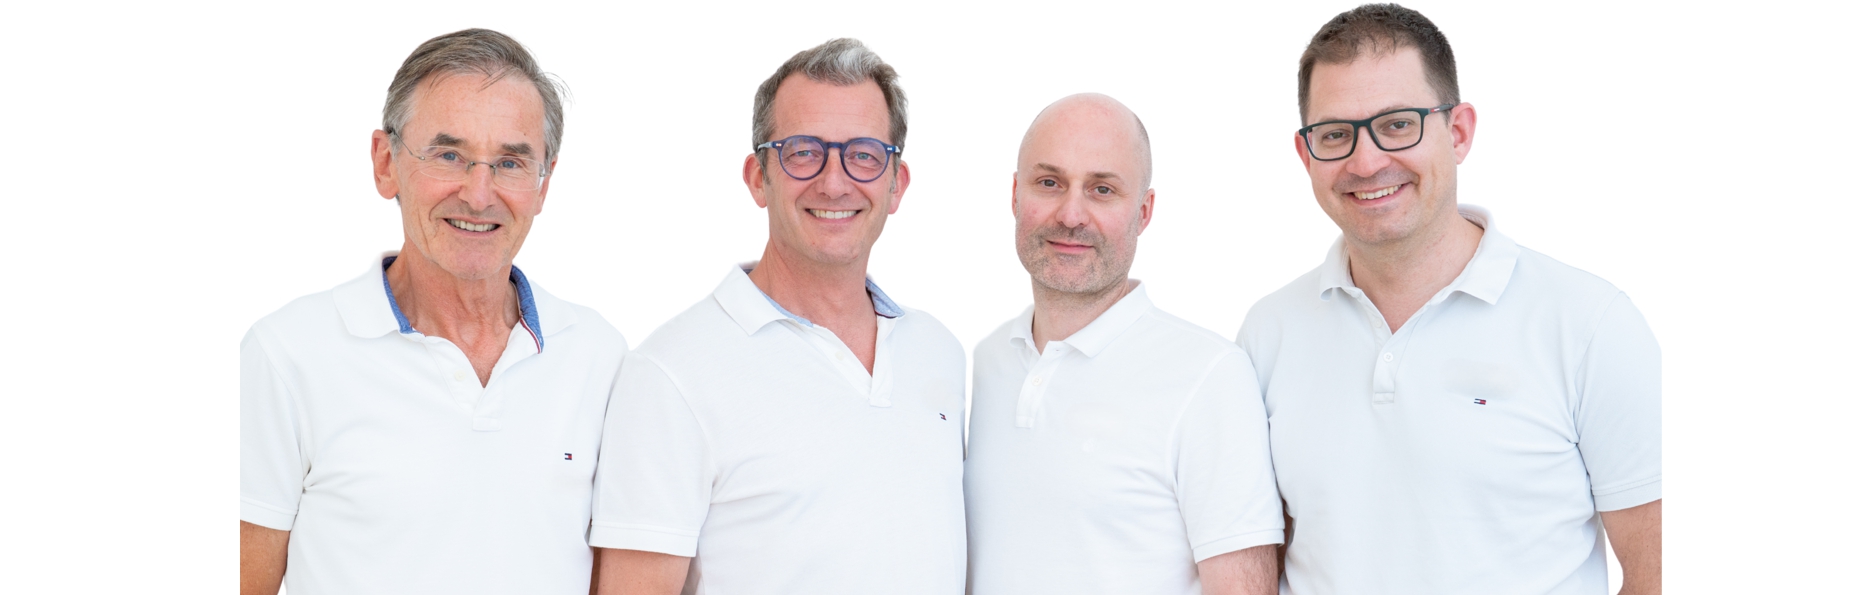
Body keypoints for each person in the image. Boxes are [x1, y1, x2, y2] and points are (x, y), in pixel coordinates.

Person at [1235, 4, 1663, 594]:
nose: (1366, 161)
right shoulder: (1268, 333)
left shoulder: (1589, 324)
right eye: (1335, 135)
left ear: (1458, 132)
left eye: (1397, 125)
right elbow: (1261, 556)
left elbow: (1660, 571)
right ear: (1306, 154)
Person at [237, 29, 627, 594]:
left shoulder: (599, 356)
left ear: (544, 184)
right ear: (386, 163)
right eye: (449, 156)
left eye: (510, 163)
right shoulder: (287, 355)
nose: (478, 194)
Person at [589, 38, 966, 595]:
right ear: (757, 177)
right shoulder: (670, 374)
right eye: (803, 152)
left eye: (864, 154)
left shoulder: (937, 351)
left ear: (896, 184)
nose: (834, 182)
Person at [964, 94, 1283, 595]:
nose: (1072, 214)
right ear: (1015, 195)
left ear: (1144, 211)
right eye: (1049, 183)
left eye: (1102, 189)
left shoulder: (1210, 376)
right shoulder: (989, 361)